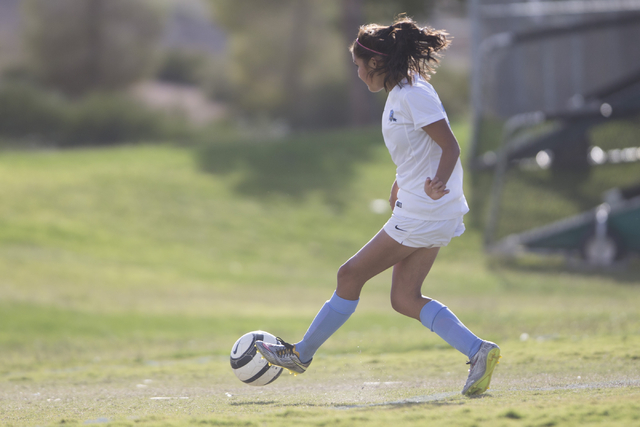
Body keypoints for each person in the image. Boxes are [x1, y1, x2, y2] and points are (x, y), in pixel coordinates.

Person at [256, 15, 500, 396]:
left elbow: (449, 144)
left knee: (349, 275)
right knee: (404, 298)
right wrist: (399, 182)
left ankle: (301, 354)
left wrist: (437, 182)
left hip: (426, 209)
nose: (357, 73)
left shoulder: (412, 94)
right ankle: (479, 351)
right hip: (431, 209)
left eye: (357, 66)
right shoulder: (405, 92)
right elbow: (416, 148)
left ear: (375, 62)